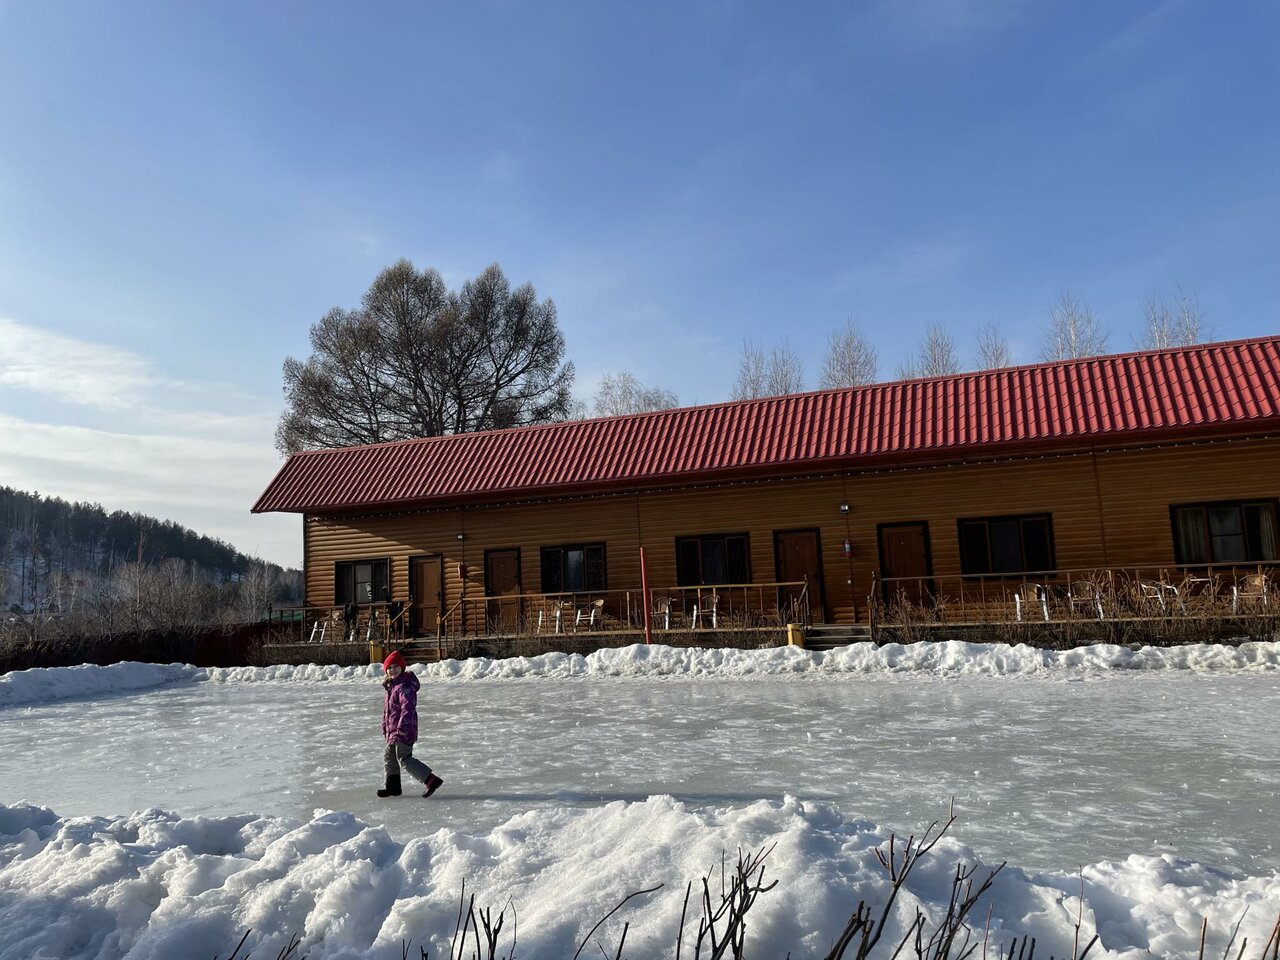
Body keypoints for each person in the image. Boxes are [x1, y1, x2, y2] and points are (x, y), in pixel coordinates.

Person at [378, 650, 444, 799]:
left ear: (402, 668)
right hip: (392, 730)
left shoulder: (405, 686)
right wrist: (385, 726)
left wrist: (402, 727)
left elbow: (408, 707)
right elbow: (387, 711)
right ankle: (392, 787)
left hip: (404, 729)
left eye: (395, 667)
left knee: (404, 758)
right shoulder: (391, 686)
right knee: (389, 756)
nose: (392, 670)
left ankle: (431, 780)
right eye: (389, 668)